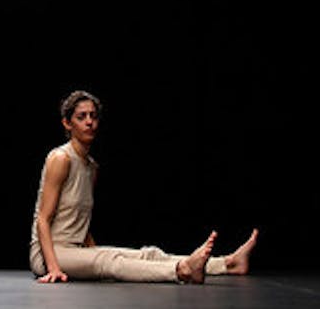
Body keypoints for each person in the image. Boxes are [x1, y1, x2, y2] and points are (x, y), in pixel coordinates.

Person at [29, 89, 259, 285]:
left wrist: (94, 250)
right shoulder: (60, 158)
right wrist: (53, 268)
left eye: (93, 116)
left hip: (75, 250)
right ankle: (182, 270)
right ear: (67, 123)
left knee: (146, 253)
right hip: (49, 253)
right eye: (81, 117)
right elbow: (43, 218)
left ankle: (228, 264)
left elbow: (80, 218)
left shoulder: (91, 167)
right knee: (111, 262)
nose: (90, 121)